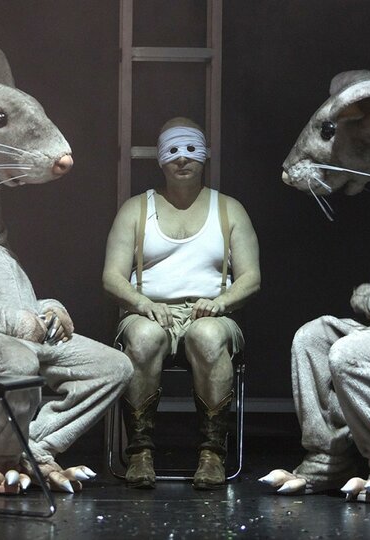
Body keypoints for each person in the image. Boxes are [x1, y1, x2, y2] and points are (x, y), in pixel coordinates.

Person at [103, 117, 261, 490]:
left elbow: (251, 277)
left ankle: (213, 454)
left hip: (211, 312)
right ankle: (139, 452)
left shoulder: (229, 209)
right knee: (143, 337)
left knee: (207, 336)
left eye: (191, 149)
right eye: (173, 150)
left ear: (204, 154)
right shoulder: (136, 209)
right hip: (149, 311)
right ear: (161, 158)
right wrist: (141, 302)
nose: (182, 158)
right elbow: (111, 277)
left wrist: (222, 302)